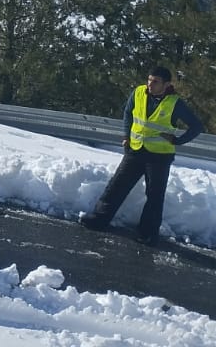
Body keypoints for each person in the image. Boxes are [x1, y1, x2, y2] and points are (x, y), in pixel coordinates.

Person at [79, 66, 203, 244]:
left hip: (159, 156)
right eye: (149, 80)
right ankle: (99, 219)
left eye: (155, 82)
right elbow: (128, 113)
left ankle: (148, 233)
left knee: (154, 195)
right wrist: (126, 135)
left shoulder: (175, 103)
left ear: (166, 84)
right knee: (117, 186)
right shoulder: (139, 92)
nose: (150, 85)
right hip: (135, 150)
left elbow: (197, 126)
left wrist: (177, 141)